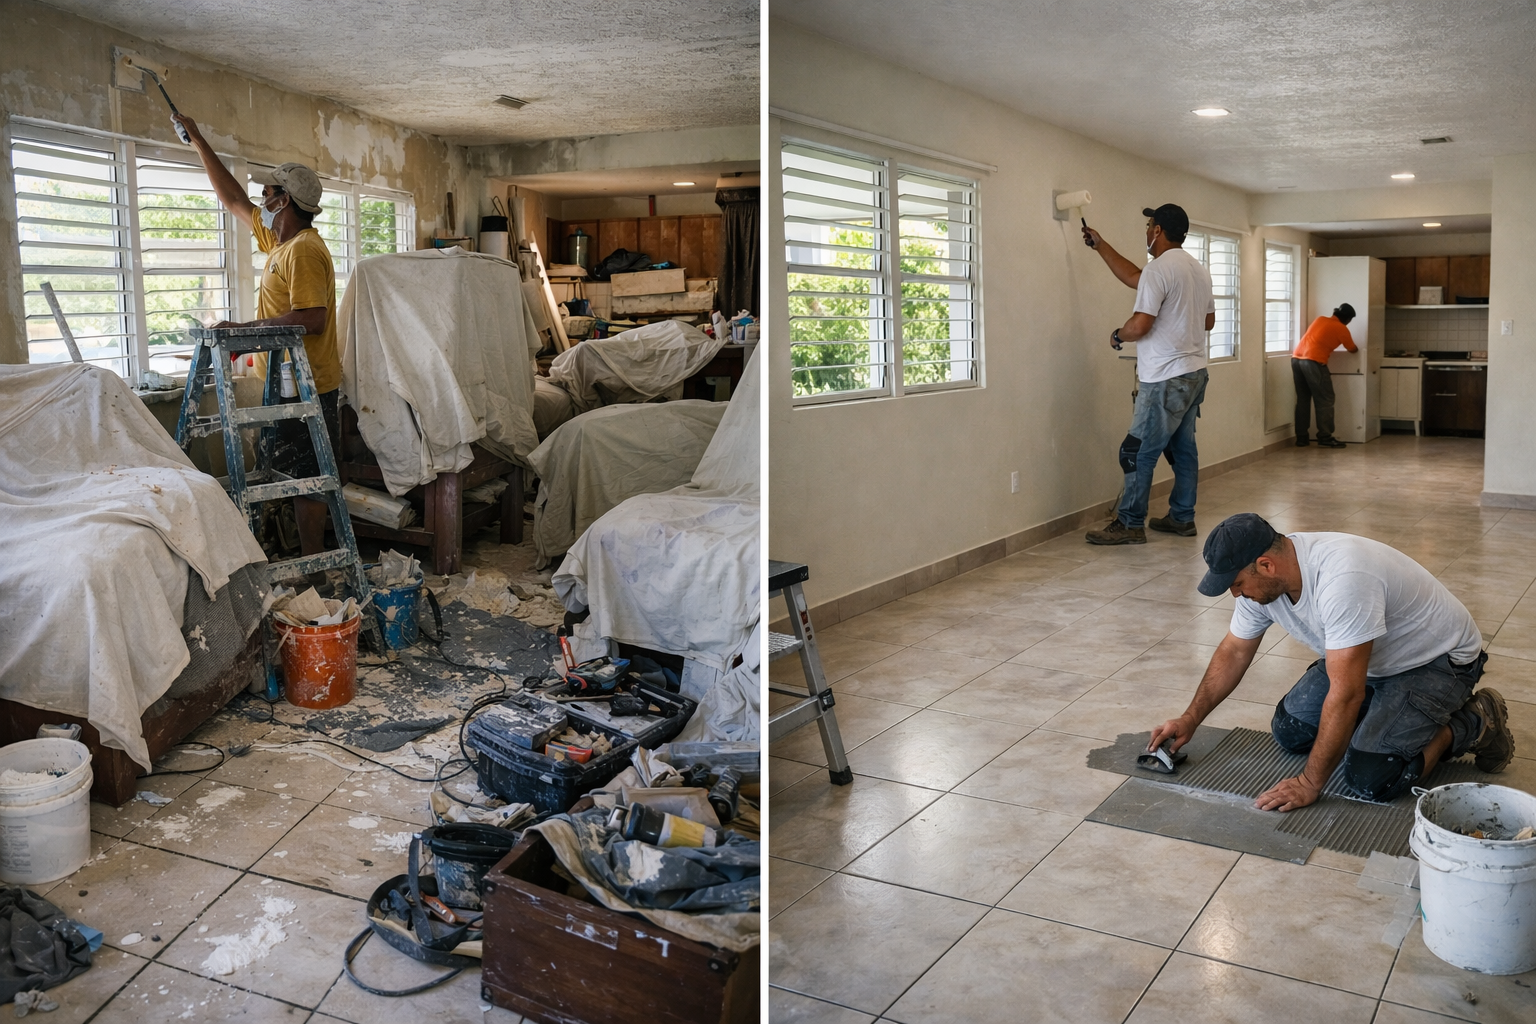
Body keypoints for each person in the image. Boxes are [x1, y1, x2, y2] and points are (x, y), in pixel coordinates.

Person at [1149, 513, 1515, 811]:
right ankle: (1387, 717)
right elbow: (1234, 651)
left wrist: (1310, 782)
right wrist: (1190, 717)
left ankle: (1475, 720)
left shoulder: (1344, 579)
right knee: (1290, 730)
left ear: (1266, 565)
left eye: (1237, 583)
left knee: (1371, 777)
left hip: (1435, 662)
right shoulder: (1262, 580)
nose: (1234, 593)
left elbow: (1346, 694)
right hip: (1368, 658)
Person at [173, 112, 342, 561]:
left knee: (306, 479)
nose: (261, 197)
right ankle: (294, 557)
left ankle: (313, 567)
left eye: (268, 192)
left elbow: (312, 318)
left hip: (307, 386)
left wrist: (240, 333)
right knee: (286, 473)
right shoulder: (279, 244)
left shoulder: (304, 250)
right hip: (281, 382)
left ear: (284, 201)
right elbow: (231, 199)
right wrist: (198, 140)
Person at [1080, 204, 1215, 544]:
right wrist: (1100, 244)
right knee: (1182, 450)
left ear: (1157, 231)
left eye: (1149, 224)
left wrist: (1117, 335)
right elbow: (1207, 320)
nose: (1146, 230)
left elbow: (1140, 325)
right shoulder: (1197, 270)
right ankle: (1182, 518)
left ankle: (1130, 523)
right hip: (1194, 374)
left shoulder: (1160, 270)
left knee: (1136, 450)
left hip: (1165, 379)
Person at [1293, 304, 1357, 448]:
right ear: (1347, 319)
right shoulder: (1342, 329)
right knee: (1326, 399)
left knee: (1303, 400)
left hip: (1296, 359)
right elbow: (1352, 349)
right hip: (1313, 362)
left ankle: (1302, 438)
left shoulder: (1320, 319)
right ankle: (1325, 437)